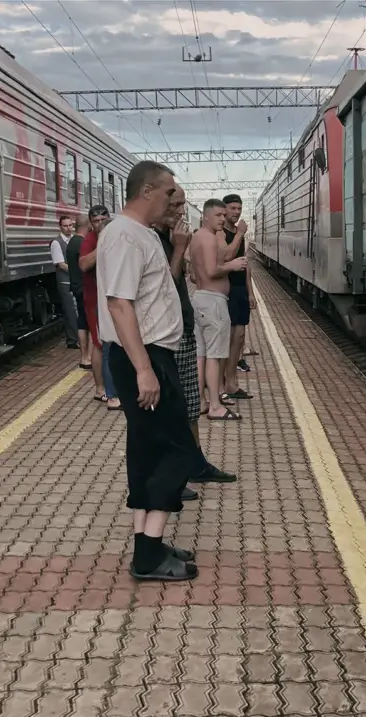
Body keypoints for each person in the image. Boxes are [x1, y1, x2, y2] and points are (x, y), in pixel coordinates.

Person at [97, 161, 199, 581]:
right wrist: (144, 369)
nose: (171, 200)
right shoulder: (124, 236)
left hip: (148, 354)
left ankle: (148, 545)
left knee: (146, 450)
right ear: (147, 191)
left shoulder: (134, 235)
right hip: (145, 355)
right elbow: (120, 304)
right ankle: (149, 556)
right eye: (167, 192)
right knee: (176, 450)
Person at [153, 188, 236, 496]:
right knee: (172, 411)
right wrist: (178, 250)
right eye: (173, 205)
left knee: (189, 407)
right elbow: (166, 285)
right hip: (165, 335)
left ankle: (194, 463)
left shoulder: (170, 237)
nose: (178, 212)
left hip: (182, 326)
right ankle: (172, 476)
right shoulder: (154, 240)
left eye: (180, 206)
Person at [191, 198, 248, 422]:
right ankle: (215, 405)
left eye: (224, 216)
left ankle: (202, 401)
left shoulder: (201, 237)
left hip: (202, 300)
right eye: (219, 215)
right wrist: (231, 267)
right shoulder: (206, 238)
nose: (223, 219)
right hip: (213, 302)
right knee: (214, 356)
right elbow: (211, 270)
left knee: (201, 355)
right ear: (205, 216)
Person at [79, 204, 118, 408]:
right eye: (95, 221)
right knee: (99, 343)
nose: (100, 224)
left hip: (108, 298)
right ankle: (100, 389)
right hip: (94, 299)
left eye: (103, 220)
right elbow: (84, 264)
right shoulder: (90, 240)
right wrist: (101, 244)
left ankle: (109, 387)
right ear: (90, 223)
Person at [222, 194, 255, 396]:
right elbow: (226, 255)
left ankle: (231, 378)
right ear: (224, 209)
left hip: (240, 289)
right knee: (229, 336)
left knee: (239, 336)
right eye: (232, 208)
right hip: (226, 288)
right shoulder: (221, 233)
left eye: (239, 208)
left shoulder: (238, 233)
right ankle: (226, 381)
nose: (236, 212)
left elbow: (245, 264)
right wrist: (239, 234)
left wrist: (251, 292)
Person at [50, 215, 80, 349]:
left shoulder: (74, 240)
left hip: (74, 281)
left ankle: (76, 338)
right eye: (65, 226)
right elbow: (61, 264)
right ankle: (72, 340)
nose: (68, 228)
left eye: (70, 225)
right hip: (65, 282)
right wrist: (78, 270)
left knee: (77, 310)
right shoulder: (56, 243)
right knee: (70, 311)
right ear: (60, 227)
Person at [65, 213, 91, 369]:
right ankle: (86, 357)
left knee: (82, 322)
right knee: (87, 323)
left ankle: (84, 357)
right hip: (84, 287)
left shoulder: (72, 242)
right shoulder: (81, 243)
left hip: (76, 286)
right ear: (87, 225)